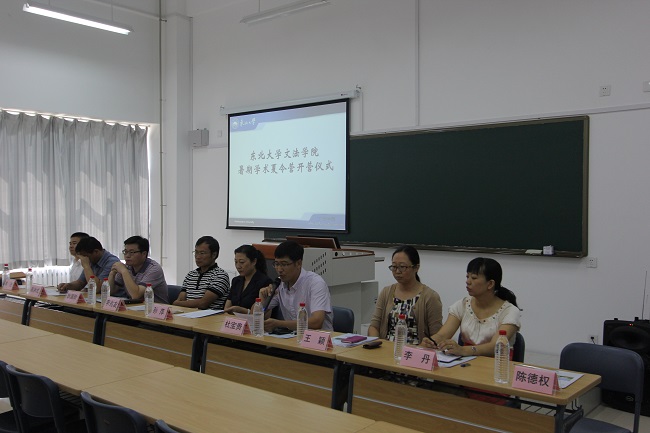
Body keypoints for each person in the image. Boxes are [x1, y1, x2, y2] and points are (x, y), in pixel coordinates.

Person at [422, 257, 521, 357]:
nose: (468, 281)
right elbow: (443, 335)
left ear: (490, 284)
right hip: (466, 363)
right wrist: (432, 341)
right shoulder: (462, 305)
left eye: (473, 278)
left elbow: (495, 347)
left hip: (497, 364)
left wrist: (463, 350)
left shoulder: (510, 311)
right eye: (467, 277)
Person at [368, 245, 442, 345]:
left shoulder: (430, 297)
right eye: (394, 267)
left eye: (402, 267)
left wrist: (423, 348)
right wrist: (377, 344)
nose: (397, 271)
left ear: (416, 268)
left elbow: (437, 335)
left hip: (416, 351)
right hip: (387, 350)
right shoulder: (386, 292)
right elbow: (374, 326)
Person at [259, 240, 333, 332]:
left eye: (284, 264)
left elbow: (317, 322)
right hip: (292, 337)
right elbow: (257, 315)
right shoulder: (279, 283)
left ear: (298, 264)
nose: (279, 269)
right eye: (277, 264)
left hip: (319, 338)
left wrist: (279, 324)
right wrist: (263, 298)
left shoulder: (315, 283)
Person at [173, 236, 230, 310]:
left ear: (214, 255)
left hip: (209, 316)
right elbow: (181, 299)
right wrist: (178, 303)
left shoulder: (220, 275)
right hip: (186, 315)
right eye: (196, 252)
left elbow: (203, 304)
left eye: (202, 253)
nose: (197, 257)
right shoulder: (191, 275)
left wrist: (176, 303)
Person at [108, 236, 168, 303]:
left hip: (155, 307)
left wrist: (124, 271)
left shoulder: (154, 269)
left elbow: (136, 295)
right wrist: (112, 273)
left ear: (144, 254)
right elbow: (111, 291)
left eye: (132, 252)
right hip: (134, 306)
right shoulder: (127, 267)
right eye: (125, 251)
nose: (127, 255)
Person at [224, 244, 273, 314]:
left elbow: (260, 311)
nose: (238, 266)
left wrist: (241, 310)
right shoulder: (236, 280)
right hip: (233, 319)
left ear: (254, 261)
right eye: (236, 262)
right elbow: (227, 308)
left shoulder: (265, 282)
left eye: (242, 262)